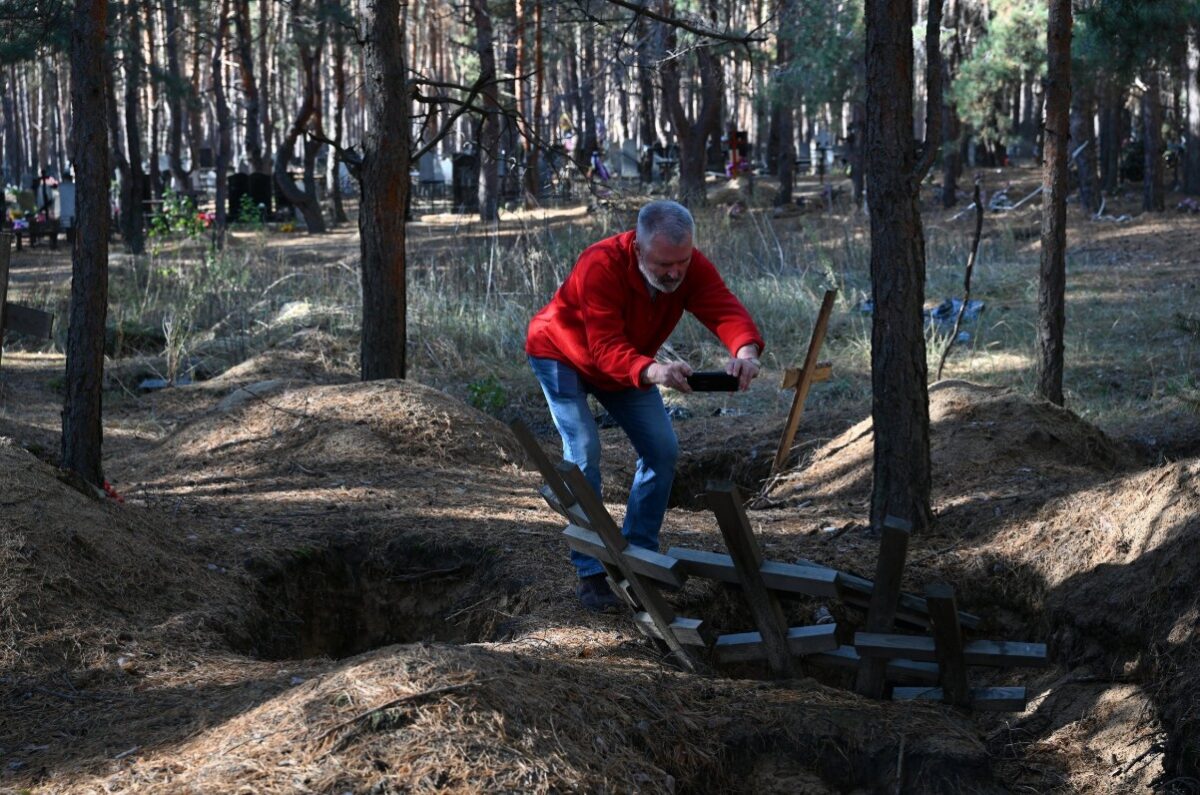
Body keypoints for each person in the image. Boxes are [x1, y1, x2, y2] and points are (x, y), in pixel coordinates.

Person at [526, 200, 764, 611]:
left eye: (682, 262)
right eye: (663, 264)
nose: (674, 272)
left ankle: (639, 558)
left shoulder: (689, 266)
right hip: (561, 355)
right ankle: (592, 573)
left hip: (629, 366)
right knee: (583, 453)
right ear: (637, 248)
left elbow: (723, 308)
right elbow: (603, 348)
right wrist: (654, 372)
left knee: (662, 450)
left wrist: (746, 352)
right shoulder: (599, 264)